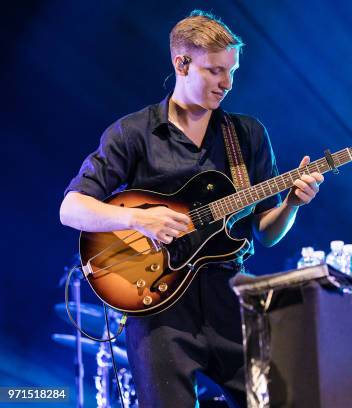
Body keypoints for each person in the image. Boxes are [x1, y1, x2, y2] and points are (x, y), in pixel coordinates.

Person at [59, 10, 324, 408]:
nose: (227, 83)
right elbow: (71, 207)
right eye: (216, 71)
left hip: (230, 296)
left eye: (232, 71)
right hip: (158, 308)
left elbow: (266, 231)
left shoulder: (247, 135)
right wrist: (137, 218)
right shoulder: (133, 132)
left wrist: (291, 203)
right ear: (181, 63)